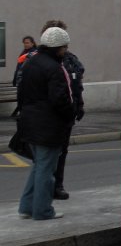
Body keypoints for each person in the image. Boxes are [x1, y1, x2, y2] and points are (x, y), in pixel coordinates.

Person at [16, 26, 74, 220]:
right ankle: (43, 210)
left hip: (29, 121)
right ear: (58, 47)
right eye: (64, 47)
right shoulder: (54, 68)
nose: (65, 51)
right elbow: (60, 100)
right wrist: (70, 116)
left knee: (39, 166)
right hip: (48, 124)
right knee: (47, 169)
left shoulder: (31, 63)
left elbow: (21, 92)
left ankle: (26, 207)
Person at [42, 18, 85, 200]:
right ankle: (44, 189)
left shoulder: (71, 59)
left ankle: (57, 184)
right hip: (47, 115)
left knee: (61, 151)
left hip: (67, 113)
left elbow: (76, 84)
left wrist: (79, 105)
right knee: (45, 156)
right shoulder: (38, 60)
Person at [11, 35, 37, 117]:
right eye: (24, 43)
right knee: (21, 99)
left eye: (27, 43)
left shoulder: (34, 53)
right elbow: (18, 68)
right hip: (21, 81)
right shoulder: (24, 53)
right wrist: (15, 80)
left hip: (27, 82)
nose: (25, 44)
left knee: (25, 100)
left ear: (32, 43)